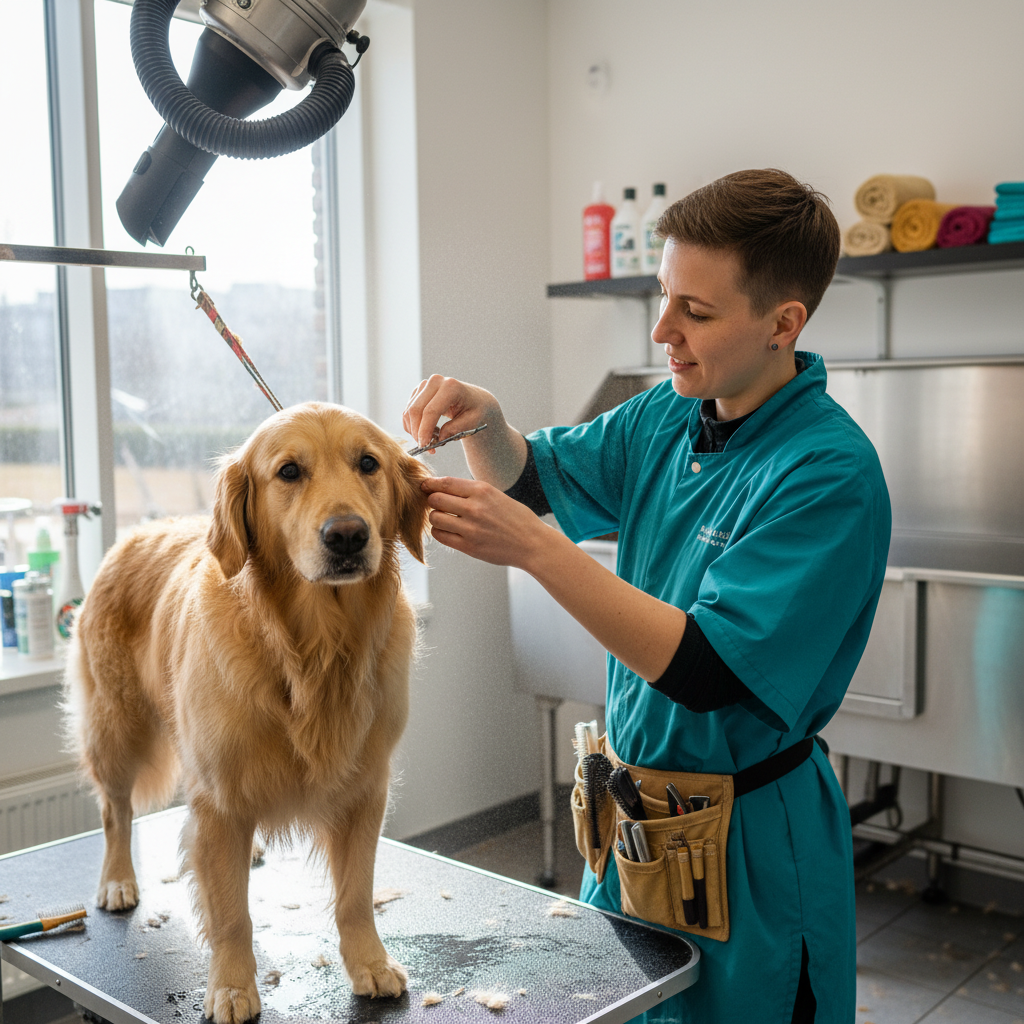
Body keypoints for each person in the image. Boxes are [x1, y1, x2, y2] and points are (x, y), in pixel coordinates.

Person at [402, 168, 891, 1024]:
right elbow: (531, 484)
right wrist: (485, 423)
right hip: (631, 824)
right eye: (662, 297)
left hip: (747, 848)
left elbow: (706, 669)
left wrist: (541, 558)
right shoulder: (665, 414)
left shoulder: (826, 472)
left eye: (694, 312)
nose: (663, 330)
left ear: (785, 324)